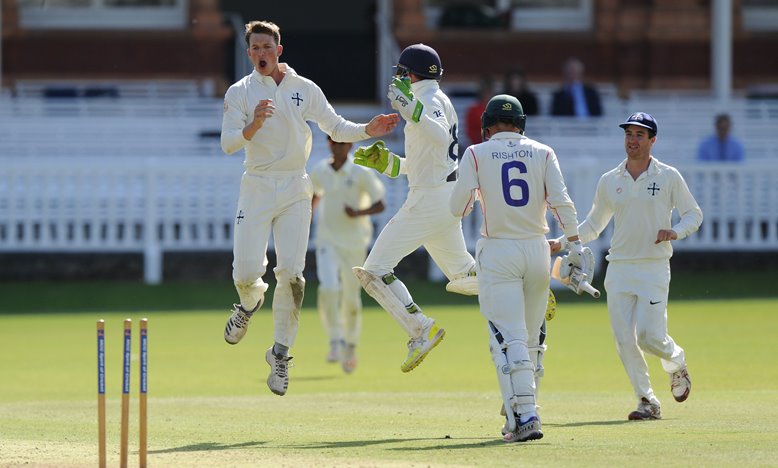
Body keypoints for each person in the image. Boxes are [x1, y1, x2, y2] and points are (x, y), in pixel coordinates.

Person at [220, 20, 399, 396]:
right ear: (248, 53)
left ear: (278, 50)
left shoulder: (304, 89)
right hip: (256, 186)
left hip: (295, 186)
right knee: (246, 274)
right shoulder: (240, 92)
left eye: (267, 47)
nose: (261, 54)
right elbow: (228, 143)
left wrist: (369, 128)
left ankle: (280, 355)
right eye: (254, 49)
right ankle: (248, 305)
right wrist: (252, 126)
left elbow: (336, 127)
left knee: (293, 275)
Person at [450, 94, 583, 443]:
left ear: (487, 126)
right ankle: (516, 412)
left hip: (499, 250)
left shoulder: (476, 153)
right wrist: (576, 243)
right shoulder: (543, 152)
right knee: (533, 337)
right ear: (521, 123)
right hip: (538, 249)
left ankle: (526, 414)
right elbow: (562, 201)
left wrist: (480, 192)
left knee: (508, 337)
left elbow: (458, 208)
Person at [555, 112, 702, 420]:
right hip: (619, 267)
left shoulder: (668, 176)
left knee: (650, 337)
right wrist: (563, 241)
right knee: (624, 340)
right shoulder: (610, 180)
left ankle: (676, 361)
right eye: (628, 134)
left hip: (653, 266)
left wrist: (676, 231)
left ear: (652, 140)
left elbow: (694, 214)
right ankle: (647, 400)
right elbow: (594, 225)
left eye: (639, 135)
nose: (632, 140)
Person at [351, 43, 478, 373]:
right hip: (442, 195)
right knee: (464, 275)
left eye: (401, 73)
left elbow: (436, 137)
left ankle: (421, 329)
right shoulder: (437, 98)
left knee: (373, 271)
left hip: (429, 200)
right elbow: (430, 158)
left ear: (409, 73)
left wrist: (412, 108)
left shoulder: (426, 100)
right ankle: (522, 288)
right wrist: (391, 163)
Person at [309, 135, 386, 373]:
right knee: (329, 288)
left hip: (355, 242)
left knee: (351, 297)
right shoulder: (321, 170)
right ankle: (334, 340)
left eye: (343, 143)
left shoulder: (361, 172)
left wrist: (358, 212)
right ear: (329, 144)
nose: (339, 147)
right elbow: (314, 194)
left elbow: (380, 204)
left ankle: (350, 345)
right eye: (334, 142)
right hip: (327, 240)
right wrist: (306, 217)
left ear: (350, 146)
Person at [465, 76, 495, 146]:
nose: (488, 94)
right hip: (478, 146)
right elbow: (470, 132)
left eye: (490, 91)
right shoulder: (473, 110)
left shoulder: (498, 110)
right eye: (485, 91)